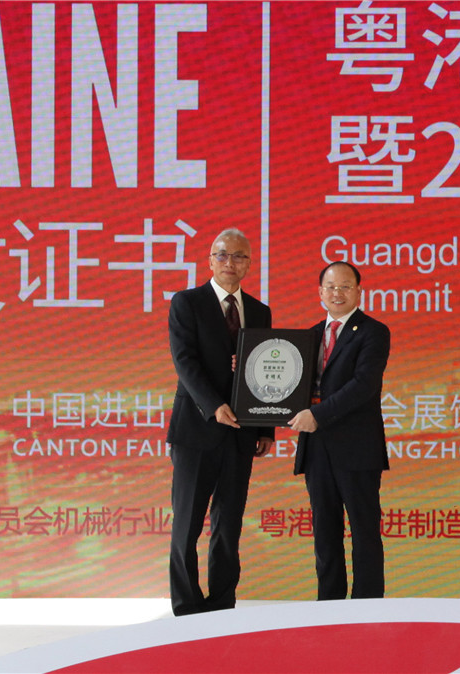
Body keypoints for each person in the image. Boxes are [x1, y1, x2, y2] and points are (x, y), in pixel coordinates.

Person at [166, 228, 274, 616]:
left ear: (249, 264)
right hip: (196, 430)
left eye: (239, 256)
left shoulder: (259, 311)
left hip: (241, 434)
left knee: (228, 526)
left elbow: (267, 372)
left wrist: (265, 428)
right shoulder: (187, 302)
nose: (231, 263)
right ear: (210, 260)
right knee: (187, 525)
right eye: (223, 255)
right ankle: (187, 607)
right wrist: (214, 406)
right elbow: (185, 362)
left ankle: (222, 605)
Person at [288, 261, 390, 600]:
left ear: (359, 291)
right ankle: (329, 605)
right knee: (325, 532)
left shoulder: (374, 332)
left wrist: (316, 415)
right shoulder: (309, 336)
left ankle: (367, 606)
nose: (337, 293)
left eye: (345, 286)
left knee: (364, 531)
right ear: (320, 292)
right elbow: (289, 383)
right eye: (331, 287)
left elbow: (363, 386)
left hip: (357, 448)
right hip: (317, 448)